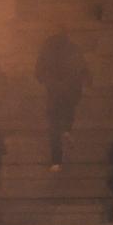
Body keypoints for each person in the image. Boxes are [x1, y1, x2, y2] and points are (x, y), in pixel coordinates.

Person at [35, 29, 89, 170]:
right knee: (68, 113)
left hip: (54, 93)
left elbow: (38, 71)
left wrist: (46, 80)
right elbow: (83, 69)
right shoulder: (74, 49)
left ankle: (56, 161)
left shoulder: (47, 49)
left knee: (53, 127)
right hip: (71, 92)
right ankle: (67, 130)